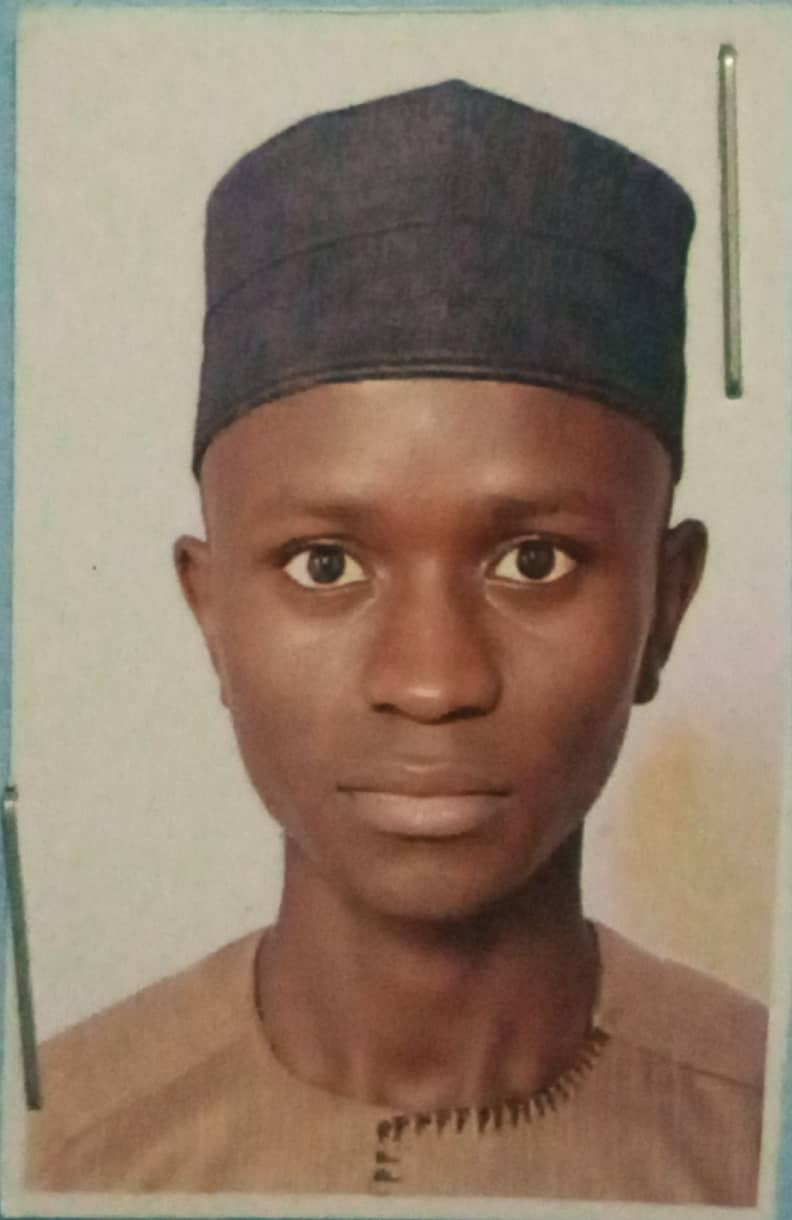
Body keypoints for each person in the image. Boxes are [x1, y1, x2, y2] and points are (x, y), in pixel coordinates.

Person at [27, 80, 766, 1204]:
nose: (431, 681)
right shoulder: (52, 1151)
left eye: (534, 561)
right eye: (325, 565)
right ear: (209, 612)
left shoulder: (760, 1137)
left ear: (665, 606)